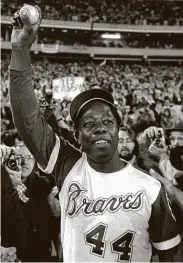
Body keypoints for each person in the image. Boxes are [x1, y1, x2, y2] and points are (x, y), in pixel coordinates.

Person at [9, 5, 182, 262]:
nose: (99, 126)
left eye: (107, 121)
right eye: (88, 123)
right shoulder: (67, 165)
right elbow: (27, 120)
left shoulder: (151, 187)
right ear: (76, 136)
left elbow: (172, 256)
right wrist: (21, 50)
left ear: (118, 128)